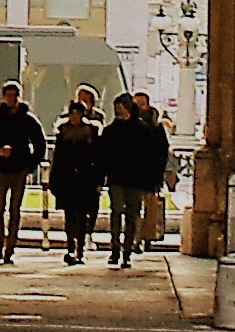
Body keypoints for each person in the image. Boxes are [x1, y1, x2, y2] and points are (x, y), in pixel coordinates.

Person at [0, 87, 45, 264]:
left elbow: (40, 144)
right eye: (8, 96)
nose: (11, 99)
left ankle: (11, 246)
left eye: (14, 96)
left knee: (15, 209)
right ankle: (0, 241)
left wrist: (30, 165)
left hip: (20, 168)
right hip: (1, 168)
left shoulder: (28, 120)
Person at [103, 91, 170, 265]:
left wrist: (152, 179)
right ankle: (115, 247)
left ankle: (127, 249)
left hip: (135, 179)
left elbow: (151, 155)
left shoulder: (142, 130)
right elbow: (103, 153)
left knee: (132, 214)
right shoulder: (112, 130)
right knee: (117, 211)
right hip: (118, 177)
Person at [51, 92, 104, 263]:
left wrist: (98, 180)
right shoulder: (63, 132)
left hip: (85, 179)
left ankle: (80, 248)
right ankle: (70, 247)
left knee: (82, 216)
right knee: (69, 216)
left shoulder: (91, 132)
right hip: (67, 179)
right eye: (72, 113)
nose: (74, 117)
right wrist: (54, 180)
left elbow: (98, 158)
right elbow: (57, 158)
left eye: (77, 114)